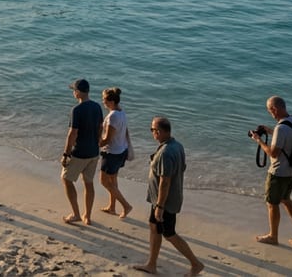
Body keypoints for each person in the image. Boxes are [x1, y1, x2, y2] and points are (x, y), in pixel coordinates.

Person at [132, 116, 204, 276]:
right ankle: (151, 264)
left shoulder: (166, 152)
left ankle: (196, 264)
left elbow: (165, 181)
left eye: (152, 130)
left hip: (165, 202)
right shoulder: (176, 145)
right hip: (160, 199)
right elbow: (182, 168)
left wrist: (160, 206)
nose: (152, 133)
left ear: (159, 131)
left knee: (169, 233)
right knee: (154, 227)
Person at [249, 96, 292, 246]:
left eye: (270, 111)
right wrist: (270, 131)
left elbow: (273, 153)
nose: (271, 114)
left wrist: (258, 140)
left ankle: (273, 236)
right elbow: (288, 137)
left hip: (279, 172)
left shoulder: (280, 128)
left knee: (272, 203)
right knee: (286, 199)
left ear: (275, 109)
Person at [60, 78, 102, 225]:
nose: (73, 92)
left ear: (78, 93)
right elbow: (100, 128)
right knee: (88, 183)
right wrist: (96, 142)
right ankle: (87, 216)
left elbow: (73, 133)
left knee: (66, 179)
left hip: (80, 152)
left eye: (74, 90)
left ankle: (76, 214)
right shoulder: (97, 107)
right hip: (94, 152)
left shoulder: (76, 110)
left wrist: (66, 153)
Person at [98, 86, 133, 218]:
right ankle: (112, 207)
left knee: (104, 181)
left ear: (111, 101)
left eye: (104, 100)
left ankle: (126, 205)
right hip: (121, 150)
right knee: (113, 180)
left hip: (112, 153)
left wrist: (97, 141)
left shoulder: (112, 116)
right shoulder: (121, 112)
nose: (103, 102)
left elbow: (107, 139)